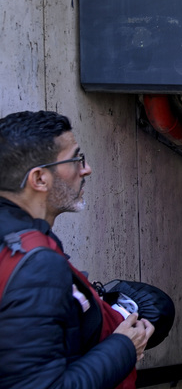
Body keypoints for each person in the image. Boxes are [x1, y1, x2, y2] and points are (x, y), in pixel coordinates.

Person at [0, 110, 154, 388]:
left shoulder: (18, 239)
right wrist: (124, 347)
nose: (86, 169)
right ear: (39, 179)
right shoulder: (36, 265)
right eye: (76, 159)